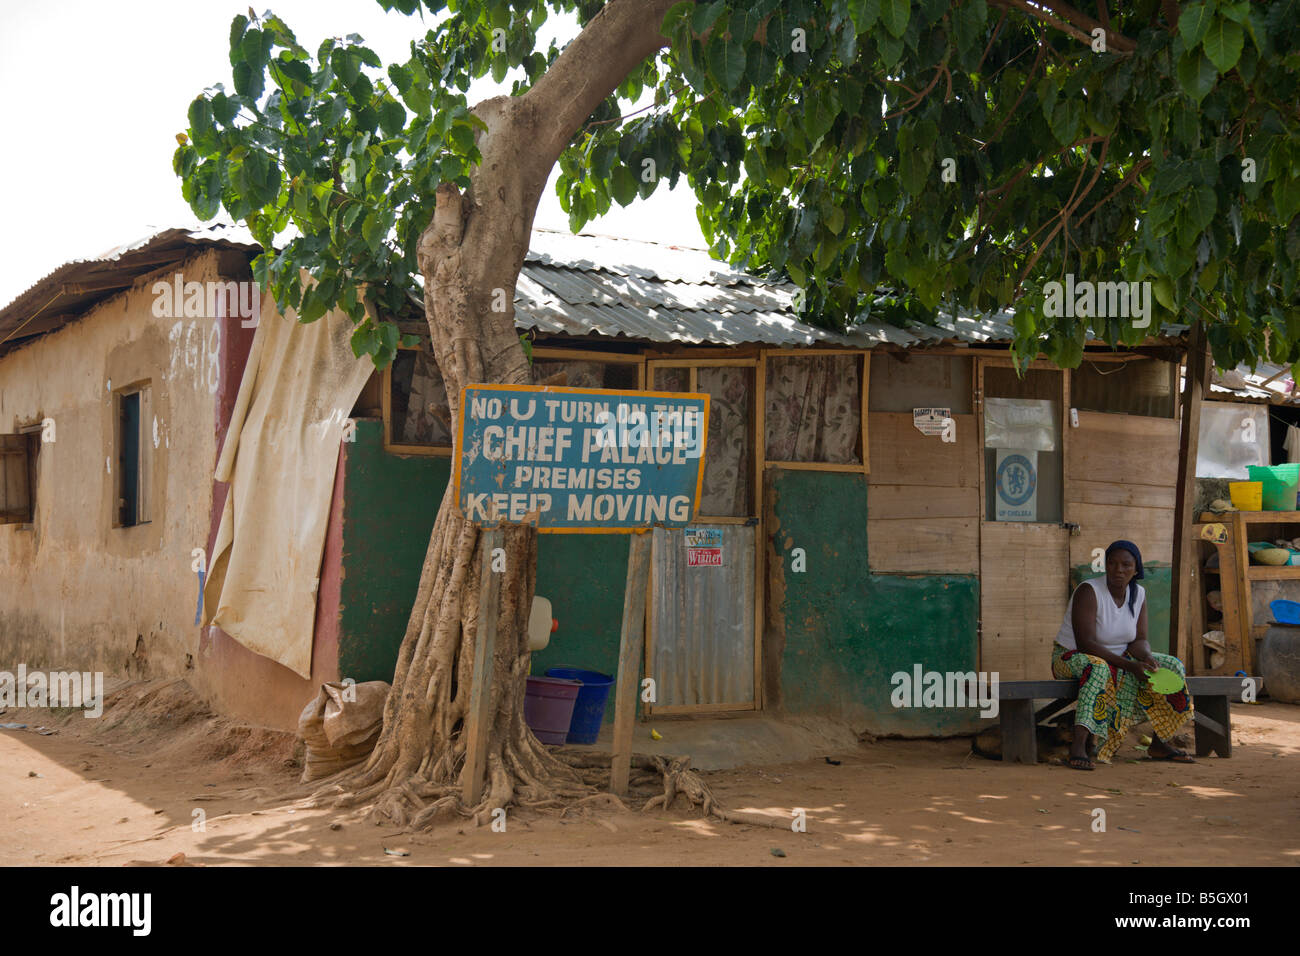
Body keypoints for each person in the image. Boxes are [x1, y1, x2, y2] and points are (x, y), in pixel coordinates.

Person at [1052, 539, 1194, 770]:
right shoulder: (1089, 591)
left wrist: (1146, 657)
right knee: (1097, 667)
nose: (1119, 570)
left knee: (1172, 665)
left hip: (1118, 658)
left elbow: (1138, 640)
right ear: (1105, 566)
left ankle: (1160, 743)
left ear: (1136, 569)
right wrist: (1129, 666)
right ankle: (1078, 746)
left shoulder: (1138, 594)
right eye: (1112, 563)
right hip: (1070, 657)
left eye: (1126, 565)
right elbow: (1085, 643)